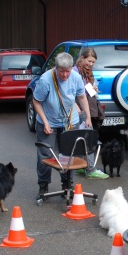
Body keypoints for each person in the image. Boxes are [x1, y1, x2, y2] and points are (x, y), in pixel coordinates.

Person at [32, 52, 91, 196]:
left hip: (70, 121)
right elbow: (36, 101)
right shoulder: (45, 80)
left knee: (69, 154)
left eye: (67, 71)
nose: (65, 75)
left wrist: (88, 116)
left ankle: (67, 185)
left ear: (72, 68)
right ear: (55, 68)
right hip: (49, 121)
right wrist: (45, 122)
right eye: (61, 71)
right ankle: (43, 185)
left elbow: (82, 97)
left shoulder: (76, 78)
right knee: (45, 154)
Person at [72, 48, 109, 179]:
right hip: (79, 108)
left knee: (83, 137)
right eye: (89, 61)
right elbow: (70, 92)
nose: (91, 64)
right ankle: (91, 169)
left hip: (86, 106)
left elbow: (87, 88)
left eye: (93, 62)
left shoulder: (87, 73)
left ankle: (83, 166)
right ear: (82, 58)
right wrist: (76, 106)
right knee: (89, 137)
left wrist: (94, 88)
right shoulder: (74, 72)